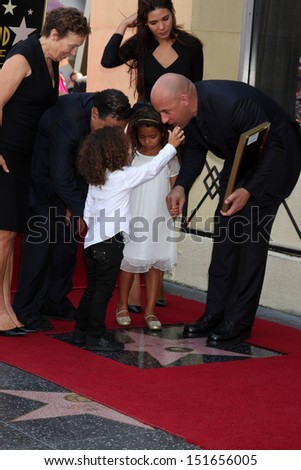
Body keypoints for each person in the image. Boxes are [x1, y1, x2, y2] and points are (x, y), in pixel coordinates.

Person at [151, 73, 301, 345]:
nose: (164, 120)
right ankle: (215, 313)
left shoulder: (234, 104)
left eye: (166, 111)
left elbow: (274, 147)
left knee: (249, 240)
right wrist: (181, 186)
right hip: (243, 158)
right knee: (225, 236)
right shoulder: (189, 115)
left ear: (184, 99)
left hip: (277, 159)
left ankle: (239, 322)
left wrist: (249, 190)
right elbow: (195, 153)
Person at [101, 0, 204, 309]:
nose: (161, 26)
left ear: (173, 14)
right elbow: (107, 60)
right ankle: (133, 288)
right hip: (144, 130)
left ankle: (157, 283)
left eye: (165, 18)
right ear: (145, 23)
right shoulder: (140, 44)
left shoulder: (191, 45)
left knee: (166, 202)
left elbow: (196, 89)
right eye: (153, 21)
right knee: (136, 204)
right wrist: (124, 25)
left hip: (176, 132)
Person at [0, 7, 90, 336]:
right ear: (53, 34)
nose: (73, 51)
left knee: (9, 236)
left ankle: (6, 308)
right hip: (6, 156)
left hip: (26, 158)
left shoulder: (52, 61)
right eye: (72, 44)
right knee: (3, 235)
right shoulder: (23, 57)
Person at [13, 90, 131, 332]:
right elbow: (60, 174)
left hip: (71, 186)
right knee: (40, 247)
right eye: (112, 128)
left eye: (120, 130)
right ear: (96, 114)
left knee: (66, 247)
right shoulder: (67, 119)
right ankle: (25, 309)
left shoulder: (101, 110)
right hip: (41, 183)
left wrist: (77, 207)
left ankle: (54, 301)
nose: (115, 136)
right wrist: (83, 212)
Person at [72, 124, 184, 351]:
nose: (131, 149)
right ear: (115, 152)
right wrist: (171, 147)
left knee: (92, 289)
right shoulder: (121, 177)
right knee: (102, 292)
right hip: (110, 243)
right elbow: (151, 170)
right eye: (128, 147)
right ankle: (95, 336)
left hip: (92, 243)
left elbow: (88, 212)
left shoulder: (97, 178)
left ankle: (80, 332)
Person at [116, 105, 180, 330]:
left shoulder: (170, 158)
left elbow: (174, 189)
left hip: (160, 217)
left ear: (162, 134)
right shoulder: (131, 156)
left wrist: (175, 209)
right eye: (142, 137)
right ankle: (122, 305)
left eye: (152, 137)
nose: (147, 142)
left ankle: (150, 311)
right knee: (130, 262)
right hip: (136, 215)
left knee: (156, 264)